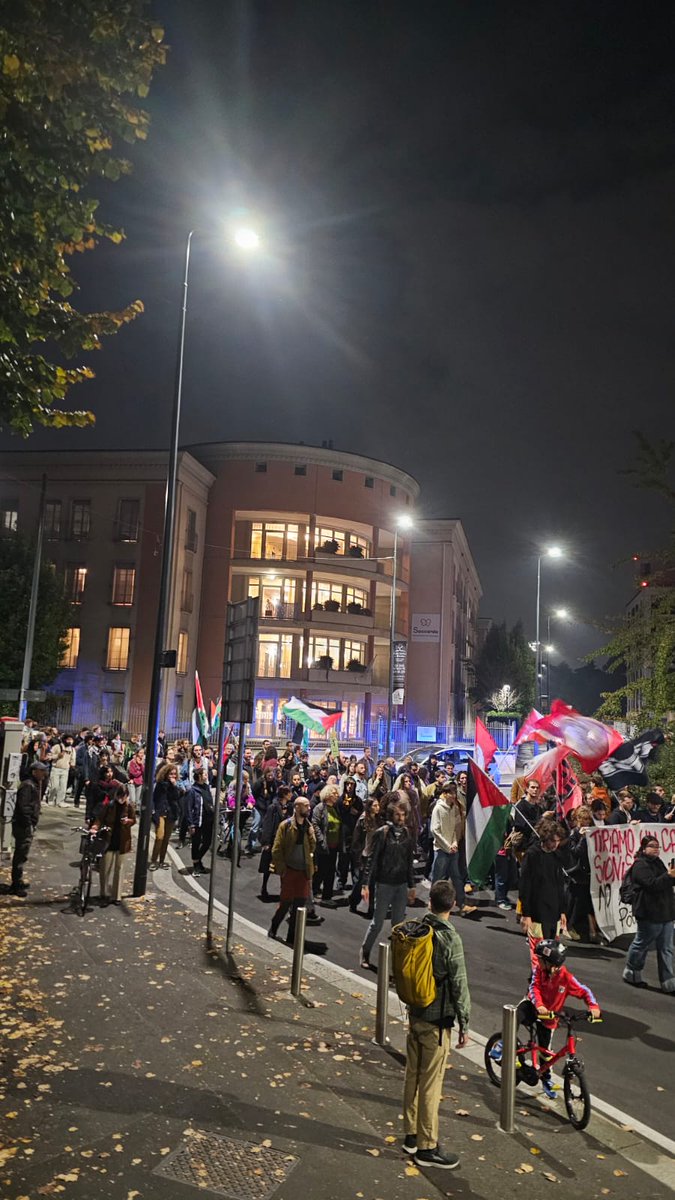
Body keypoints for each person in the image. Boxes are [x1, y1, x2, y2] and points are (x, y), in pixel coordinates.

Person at [402, 879, 470, 1171]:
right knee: (431, 1083)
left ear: (430, 903)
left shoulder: (417, 929)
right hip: (437, 1019)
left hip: (415, 1013)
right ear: (452, 905)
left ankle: (411, 1134)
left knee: (412, 1077)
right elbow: (458, 983)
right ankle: (427, 1147)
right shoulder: (449, 937)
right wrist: (464, 1021)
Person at [507, 939, 600, 1100]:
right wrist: (540, 1006)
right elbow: (533, 988)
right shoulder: (539, 971)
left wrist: (593, 1007)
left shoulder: (566, 978)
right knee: (514, 1017)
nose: (538, 962)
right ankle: (503, 1046)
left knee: (546, 1052)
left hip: (549, 1017)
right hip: (532, 1006)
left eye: (541, 960)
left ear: (552, 964)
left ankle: (546, 1079)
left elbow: (584, 990)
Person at [360, 797, 416, 969]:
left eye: (403, 814)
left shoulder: (407, 834)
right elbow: (372, 859)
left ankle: (395, 964)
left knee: (398, 927)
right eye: (397, 814)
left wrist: (411, 886)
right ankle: (365, 952)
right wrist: (365, 885)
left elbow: (408, 861)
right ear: (391, 815)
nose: (401, 818)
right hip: (384, 883)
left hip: (400, 885)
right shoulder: (382, 833)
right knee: (377, 923)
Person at [623, 834, 675, 993]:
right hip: (649, 913)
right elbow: (652, 885)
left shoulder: (658, 862)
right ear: (644, 848)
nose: (656, 849)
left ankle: (668, 982)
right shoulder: (640, 865)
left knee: (666, 948)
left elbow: (665, 884)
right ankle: (632, 973)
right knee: (641, 944)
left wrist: (671, 876)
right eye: (652, 846)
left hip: (665, 912)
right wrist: (668, 876)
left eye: (658, 846)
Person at [518, 819, 570, 966]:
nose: (556, 844)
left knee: (552, 957)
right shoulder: (532, 855)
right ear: (545, 838)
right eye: (553, 841)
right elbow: (525, 885)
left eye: (558, 841)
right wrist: (526, 914)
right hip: (536, 913)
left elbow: (560, 885)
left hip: (554, 913)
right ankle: (536, 985)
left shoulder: (556, 856)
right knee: (538, 956)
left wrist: (562, 911)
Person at [268, 796, 317, 946]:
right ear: (297, 807)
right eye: (306, 806)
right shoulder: (286, 826)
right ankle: (274, 927)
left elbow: (312, 847)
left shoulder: (309, 827)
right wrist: (282, 869)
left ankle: (291, 937)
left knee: (299, 908)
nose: (309, 808)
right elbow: (276, 849)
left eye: (309, 806)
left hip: (303, 873)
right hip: (289, 871)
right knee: (285, 904)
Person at [429, 782, 476, 915]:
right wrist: (447, 846)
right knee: (437, 878)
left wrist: (454, 842)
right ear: (445, 793)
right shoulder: (438, 809)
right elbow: (435, 830)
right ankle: (433, 905)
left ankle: (461, 904)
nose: (454, 796)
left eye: (455, 793)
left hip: (452, 849)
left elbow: (456, 828)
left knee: (457, 877)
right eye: (451, 793)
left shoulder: (454, 808)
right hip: (441, 850)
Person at [91, 783, 136, 904]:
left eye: (124, 796)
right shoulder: (109, 805)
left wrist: (128, 821)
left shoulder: (130, 806)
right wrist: (95, 827)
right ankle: (103, 893)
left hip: (123, 841)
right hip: (108, 840)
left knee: (119, 868)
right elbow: (100, 818)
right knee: (105, 868)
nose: (121, 798)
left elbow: (134, 820)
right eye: (120, 795)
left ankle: (117, 896)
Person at [7, 761, 47, 896]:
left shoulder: (33, 784)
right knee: (20, 855)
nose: (44, 774)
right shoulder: (28, 785)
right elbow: (23, 807)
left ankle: (17, 880)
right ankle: (15, 884)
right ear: (34, 771)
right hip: (23, 825)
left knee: (22, 854)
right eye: (41, 771)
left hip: (27, 824)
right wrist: (29, 824)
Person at [311, 784, 342, 906]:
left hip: (334, 846)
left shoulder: (335, 808)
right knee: (320, 872)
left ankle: (327, 897)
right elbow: (315, 824)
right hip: (323, 846)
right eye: (334, 793)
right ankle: (312, 893)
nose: (337, 795)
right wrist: (320, 839)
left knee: (331, 872)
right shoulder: (319, 808)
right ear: (328, 795)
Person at [150, 763, 181, 869]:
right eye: (170, 774)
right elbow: (154, 798)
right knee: (160, 836)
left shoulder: (176, 785)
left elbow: (177, 797)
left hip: (171, 813)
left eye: (174, 774)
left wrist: (174, 785)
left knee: (166, 838)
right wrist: (154, 811)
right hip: (161, 812)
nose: (172, 776)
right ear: (166, 774)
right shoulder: (160, 784)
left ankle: (162, 860)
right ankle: (154, 860)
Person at [187, 766, 215, 875]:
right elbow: (189, 808)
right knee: (196, 842)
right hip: (197, 820)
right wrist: (191, 824)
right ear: (199, 776)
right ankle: (196, 865)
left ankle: (198, 859)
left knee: (207, 842)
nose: (206, 776)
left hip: (208, 819)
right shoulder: (192, 790)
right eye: (204, 774)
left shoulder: (206, 787)